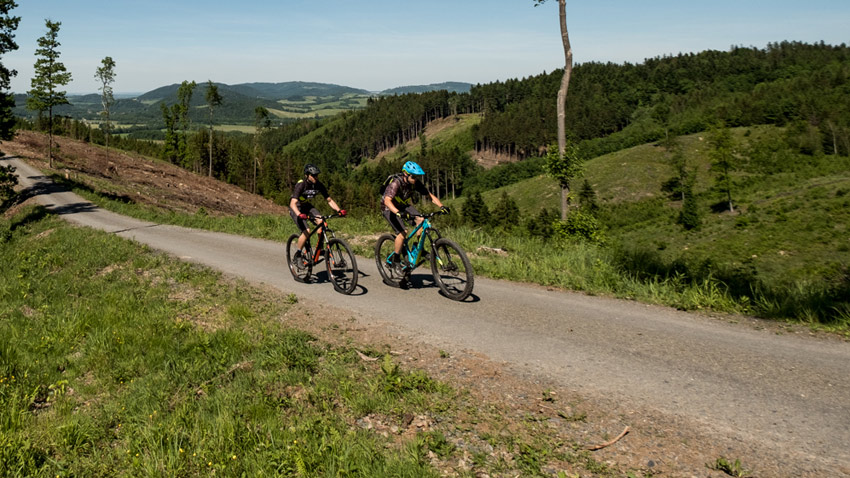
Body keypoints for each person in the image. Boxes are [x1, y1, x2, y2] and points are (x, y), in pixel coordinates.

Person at [381, 161, 449, 272]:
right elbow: (387, 201)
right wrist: (398, 212)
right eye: (413, 176)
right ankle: (396, 259)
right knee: (403, 233)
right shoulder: (395, 183)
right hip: (389, 208)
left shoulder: (414, 183)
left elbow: (429, 195)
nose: (415, 179)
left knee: (421, 220)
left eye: (417, 176)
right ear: (405, 174)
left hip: (404, 206)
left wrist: (442, 206)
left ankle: (418, 249)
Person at [289, 164, 345, 261]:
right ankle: (298, 255)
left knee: (321, 221)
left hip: (306, 206)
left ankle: (319, 248)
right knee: (307, 231)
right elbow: (292, 203)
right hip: (296, 208)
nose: (316, 177)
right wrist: (299, 214)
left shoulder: (318, 185)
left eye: (317, 175)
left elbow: (329, 200)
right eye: (313, 175)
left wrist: (339, 210)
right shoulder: (301, 184)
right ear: (307, 175)